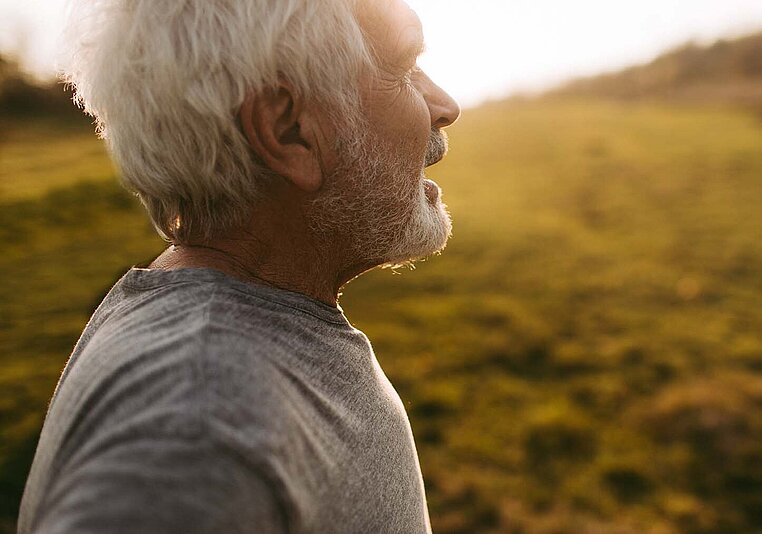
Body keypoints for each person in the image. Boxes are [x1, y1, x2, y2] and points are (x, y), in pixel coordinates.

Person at [18, 0, 460, 532]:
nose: (445, 104)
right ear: (289, 131)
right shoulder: (200, 426)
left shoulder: (228, 356)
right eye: (404, 69)